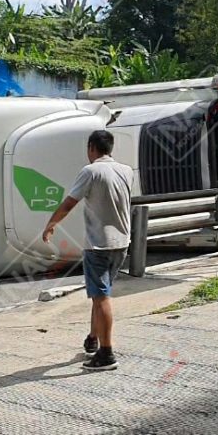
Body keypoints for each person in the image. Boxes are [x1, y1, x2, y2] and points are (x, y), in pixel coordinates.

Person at [42, 130, 134, 371]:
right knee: (99, 293)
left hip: (98, 244)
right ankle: (93, 338)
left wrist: (52, 223)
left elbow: (70, 202)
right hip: (122, 242)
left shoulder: (90, 171)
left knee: (102, 297)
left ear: (92, 147)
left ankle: (106, 353)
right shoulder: (126, 171)